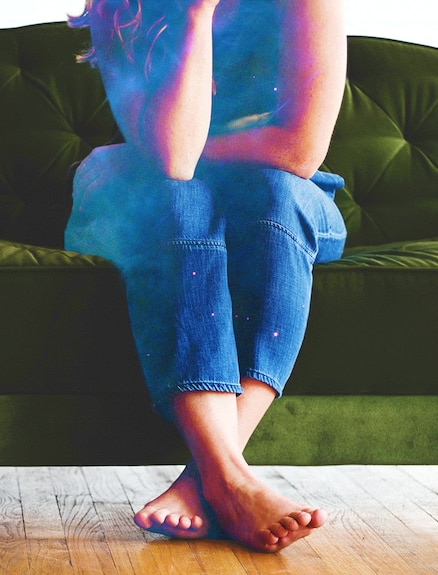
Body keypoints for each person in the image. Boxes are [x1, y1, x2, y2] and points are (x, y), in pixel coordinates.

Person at [65, 0, 348, 553]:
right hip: (155, 198)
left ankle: (209, 479)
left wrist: (137, 155)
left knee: (272, 196)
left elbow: (298, 150)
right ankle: (232, 480)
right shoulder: (122, 9)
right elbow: (173, 161)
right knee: (178, 200)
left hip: (283, 197)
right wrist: (195, 14)